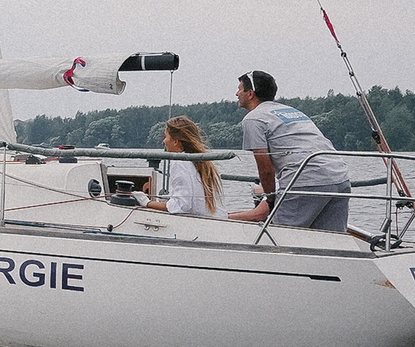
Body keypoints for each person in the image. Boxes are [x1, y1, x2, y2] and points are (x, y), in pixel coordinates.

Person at [224, 70, 350, 231]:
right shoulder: (290, 111)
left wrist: (270, 199)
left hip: (305, 180)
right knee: (332, 239)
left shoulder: (254, 118)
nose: (237, 94)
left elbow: (265, 169)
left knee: (280, 235)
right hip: (339, 177)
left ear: (250, 94)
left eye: (240, 89)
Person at [143, 115, 222, 218]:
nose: (164, 141)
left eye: (166, 137)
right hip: (214, 219)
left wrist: (146, 202)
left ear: (176, 142)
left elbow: (181, 205)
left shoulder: (180, 162)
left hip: (197, 222)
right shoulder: (204, 163)